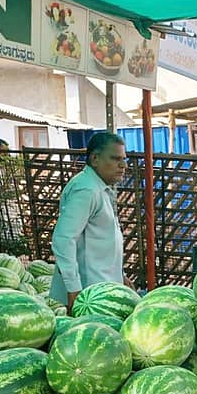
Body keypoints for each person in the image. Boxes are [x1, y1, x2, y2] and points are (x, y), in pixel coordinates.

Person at [49, 132, 132, 314]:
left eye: (124, 159)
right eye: (116, 159)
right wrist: (73, 288)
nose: (123, 165)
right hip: (90, 294)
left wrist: (120, 276)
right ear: (95, 158)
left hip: (101, 289)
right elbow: (63, 239)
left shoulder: (97, 187)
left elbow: (99, 239)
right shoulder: (86, 190)